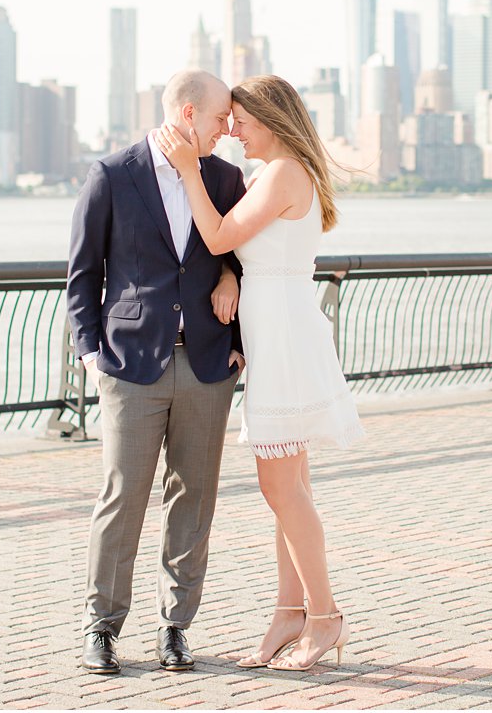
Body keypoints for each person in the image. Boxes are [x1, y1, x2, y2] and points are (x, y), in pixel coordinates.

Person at [154, 72, 365, 673]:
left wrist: (189, 171)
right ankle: (289, 612)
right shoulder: (278, 173)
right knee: (289, 490)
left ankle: (324, 617)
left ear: (270, 122)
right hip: (278, 335)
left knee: (281, 489)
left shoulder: (283, 172)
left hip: (286, 340)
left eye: (241, 123)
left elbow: (218, 233)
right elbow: (237, 254)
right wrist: (226, 277)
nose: (233, 132)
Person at [67, 69, 248, 675]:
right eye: (222, 118)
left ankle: (175, 628)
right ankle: (101, 627)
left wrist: (234, 314)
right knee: (123, 497)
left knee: (193, 499)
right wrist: (93, 357)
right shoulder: (113, 176)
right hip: (129, 367)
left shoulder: (225, 179)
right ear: (189, 114)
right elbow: (82, 275)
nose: (230, 129)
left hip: (205, 364)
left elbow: (248, 259)